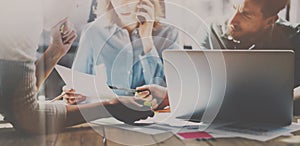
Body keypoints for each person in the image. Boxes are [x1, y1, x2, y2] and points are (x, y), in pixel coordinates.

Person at [0, 0, 154, 134]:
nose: (75, 9)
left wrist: (55, 52)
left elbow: (14, 98)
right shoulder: (21, 16)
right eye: (75, 2)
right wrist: (110, 108)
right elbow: (24, 116)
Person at [138, 0, 300, 111]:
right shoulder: (211, 31)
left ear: (269, 21)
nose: (232, 20)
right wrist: (170, 95)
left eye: (245, 15)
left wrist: (277, 103)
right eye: (234, 7)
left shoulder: (294, 38)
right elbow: (201, 88)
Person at [72, 0, 180, 96]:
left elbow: (167, 96)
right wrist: (73, 95)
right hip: (104, 116)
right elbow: (77, 84)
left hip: (152, 116)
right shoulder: (93, 31)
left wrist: (147, 40)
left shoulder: (169, 35)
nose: (122, 5)